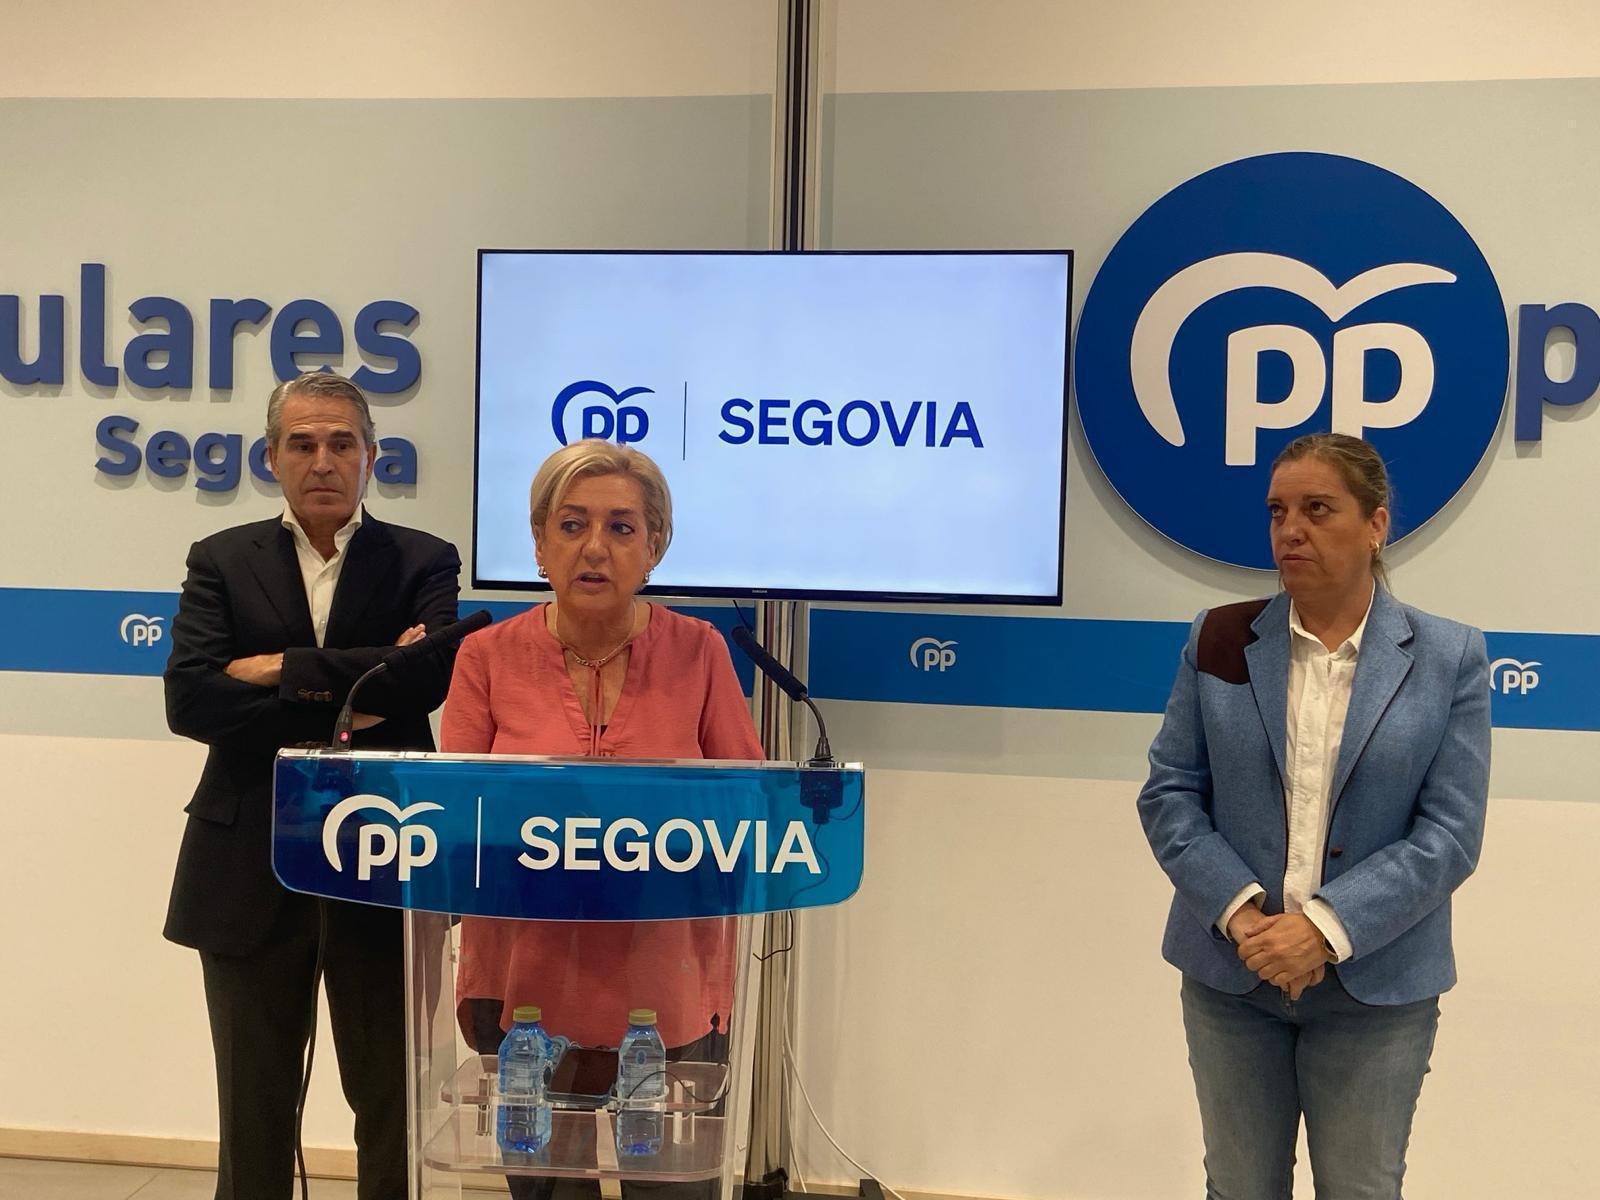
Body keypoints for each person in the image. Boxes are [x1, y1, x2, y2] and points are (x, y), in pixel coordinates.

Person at [1137, 432, 1490, 1199]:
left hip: (1378, 990)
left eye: (1317, 509)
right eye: (1278, 511)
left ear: (1375, 524)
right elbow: (1169, 794)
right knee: (1239, 1187)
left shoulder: (1449, 657)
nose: (1290, 530)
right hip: (1232, 979)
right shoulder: (1220, 638)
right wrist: (1242, 917)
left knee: (1361, 1190)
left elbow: (1450, 834)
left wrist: (1323, 928)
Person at [163, 371, 462, 1200]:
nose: (322, 460)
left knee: (390, 1101)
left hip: (383, 855)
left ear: (372, 456)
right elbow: (191, 700)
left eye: (340, 443)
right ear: (271, 457)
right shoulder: (221, 559)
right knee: (252, 1105)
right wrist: (361, 684)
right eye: (301, 443)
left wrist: (273, 669)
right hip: (245, 861)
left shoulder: (424, 559)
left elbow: (423, 680)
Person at [442, 438, 762, 1197]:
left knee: (671, 1190)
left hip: (665, 980)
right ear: (539, 543)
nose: (595, 547)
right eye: (572, 524)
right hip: (525, 986)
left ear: (655, 547)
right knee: (549, 1188)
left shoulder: (699, 651)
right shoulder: (485, 656)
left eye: (621, 527)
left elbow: (747, 804)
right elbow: (454, 818)